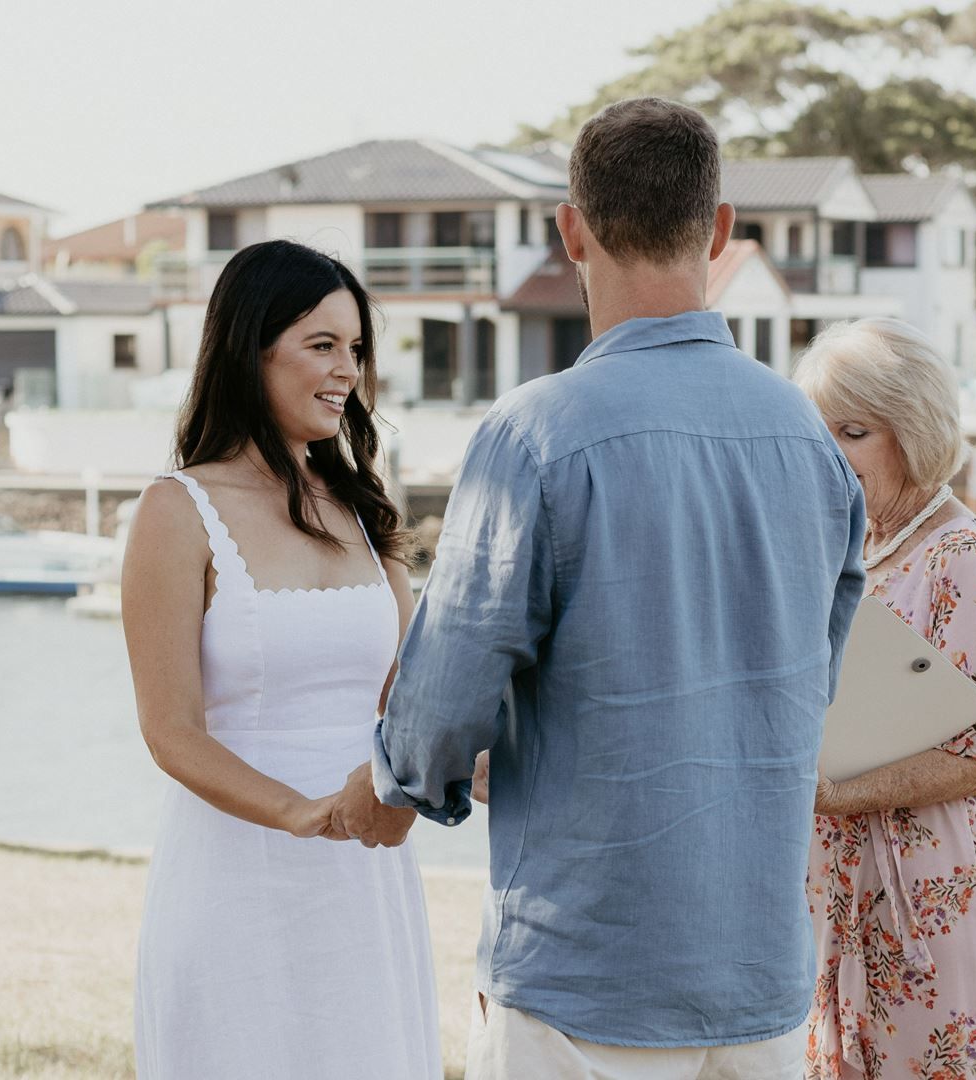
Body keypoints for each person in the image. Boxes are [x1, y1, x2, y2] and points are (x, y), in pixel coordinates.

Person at [331, 97, 866, 1080]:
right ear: (719, 231)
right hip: (759, 976)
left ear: (571, 230)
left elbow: (446, 700)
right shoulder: (810, 441)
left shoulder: (535, 432)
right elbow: (805, 680)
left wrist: (397, 789)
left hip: (589, 972)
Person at [121, 239, 439, 1079]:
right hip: (235, 880)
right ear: (250, 347)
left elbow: (410, 698)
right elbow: (170, 732)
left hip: (366, 882)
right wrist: (301, 814)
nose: (348, 371)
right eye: (322, 345)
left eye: (357, 349)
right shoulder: (175, 509)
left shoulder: (366, 507)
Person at [792, 317, 976, 1079]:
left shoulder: (967, 556)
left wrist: (838, 794)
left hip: (929, 895)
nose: (831, 454)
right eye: (819, 432)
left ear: (912, 430)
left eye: (852, 432)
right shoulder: (846, 546)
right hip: (834, 887)